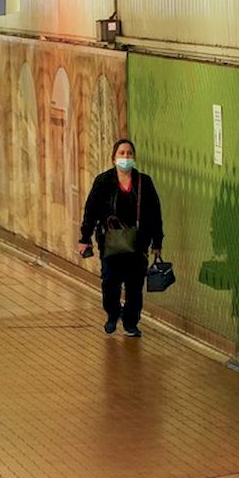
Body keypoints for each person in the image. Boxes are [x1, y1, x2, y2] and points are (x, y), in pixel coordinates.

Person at [78, 138, 164, 337]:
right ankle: (112, 314)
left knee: (135, 286)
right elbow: (90, 210)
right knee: (110, 283)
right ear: (113, 158)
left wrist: (157, 242)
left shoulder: (144, 182)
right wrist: (85, 237)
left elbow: (155, 214)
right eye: (122, 153)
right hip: (110, 243)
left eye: (129, 153)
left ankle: (130, 322)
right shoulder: (103, 182)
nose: (126, 157)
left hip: (138, 244)